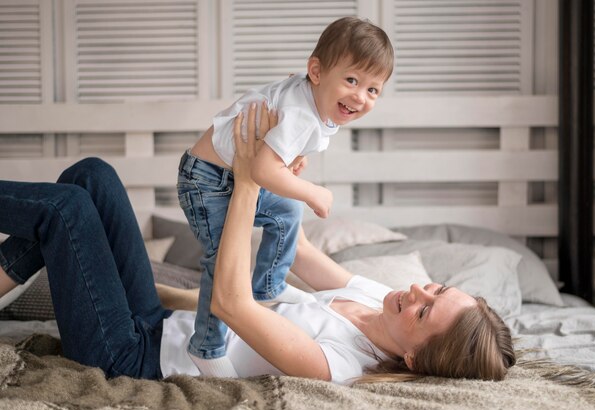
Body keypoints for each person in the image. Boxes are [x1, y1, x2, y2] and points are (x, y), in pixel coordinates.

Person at [0, 103, 516, 384]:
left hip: (131, 358)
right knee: (92, 176)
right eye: (436, 289)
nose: (417, 293)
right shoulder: (370, 298)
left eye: (424, 314)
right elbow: (303, 253)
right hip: (156, 323)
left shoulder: (339, 364)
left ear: (411, 361)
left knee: (67, 210)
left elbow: (230, 303)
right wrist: (279, 177)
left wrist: (246, 183)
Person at [178, 16, 395, 376]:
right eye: (352, 80)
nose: (360, 96)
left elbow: (276, 147)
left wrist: (292, 155)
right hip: (207, 181)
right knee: (224, 264)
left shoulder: (313, 103)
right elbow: (262, 172)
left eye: (373, 90)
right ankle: (206, 347)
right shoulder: (303, 114)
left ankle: (268, 285)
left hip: (229, 175)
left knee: (286, 212)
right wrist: (313, 192)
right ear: (316, 71)